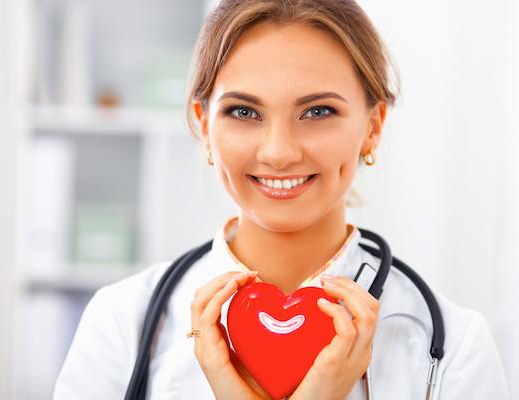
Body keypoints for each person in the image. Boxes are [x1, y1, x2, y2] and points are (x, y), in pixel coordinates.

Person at [53, 1, 509, 399]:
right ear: (204, 125)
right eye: (244, 112)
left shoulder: (455, 349)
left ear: (372, 127)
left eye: (317, 111)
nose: (279, 152)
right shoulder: (120, 325)